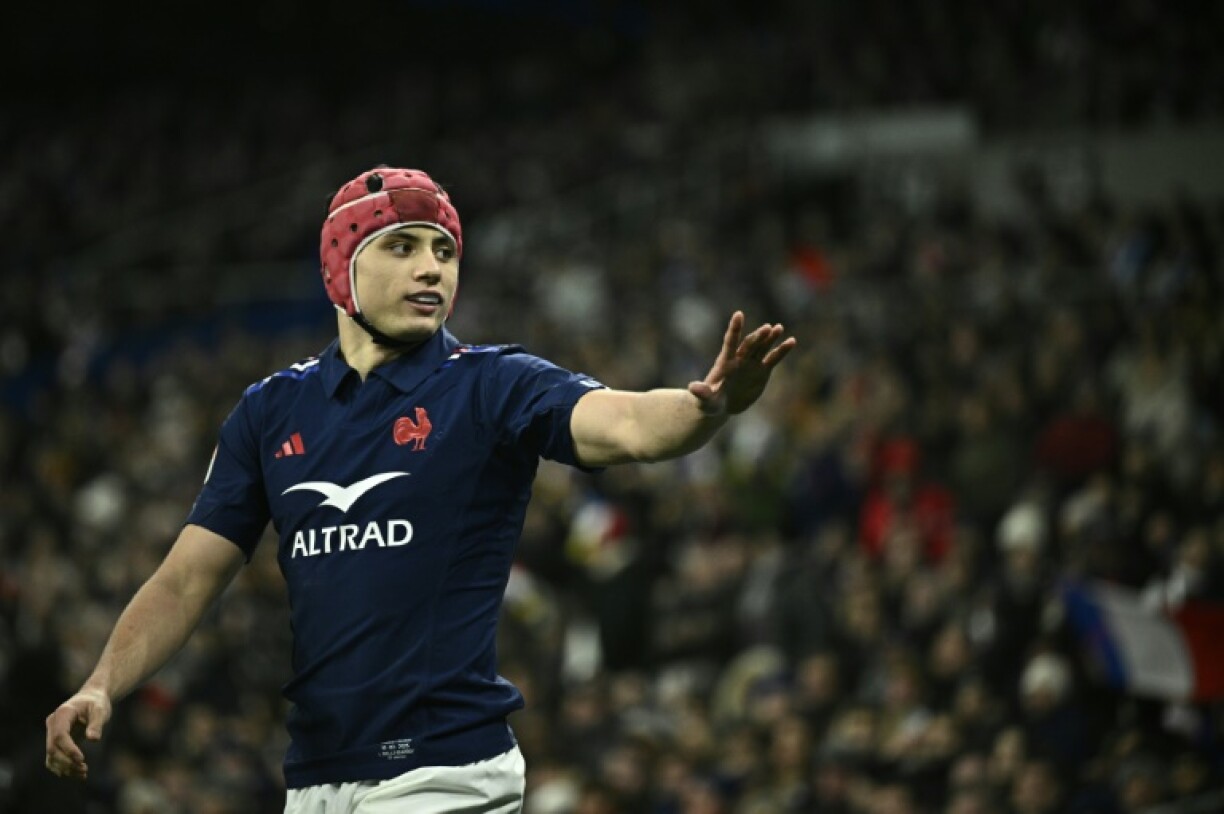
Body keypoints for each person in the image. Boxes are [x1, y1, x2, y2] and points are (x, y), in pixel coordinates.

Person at [43, 167, 796, 812]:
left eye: (445, 251)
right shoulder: (269, 412)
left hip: (444, 774)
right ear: (340, 268)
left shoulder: (493, 385)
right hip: (315, 780)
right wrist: (102, 684)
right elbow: (185, 579)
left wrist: (706, 408)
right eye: (401, 247)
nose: (432, 268)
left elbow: (628, 425)